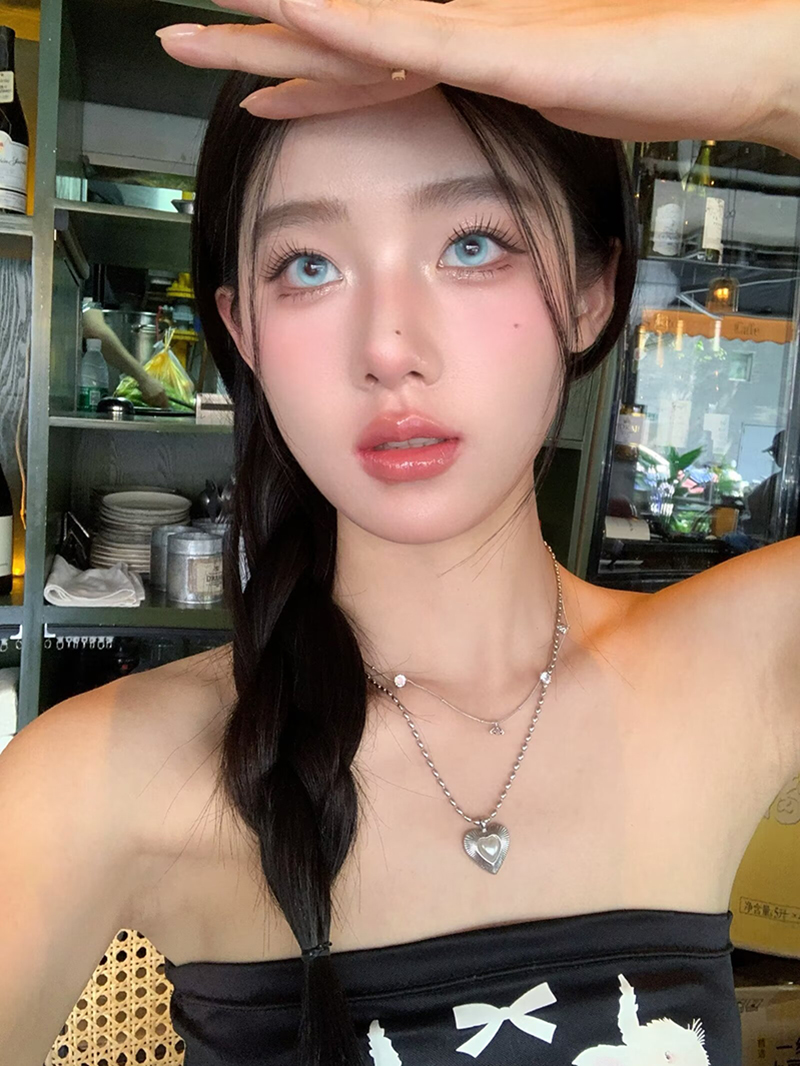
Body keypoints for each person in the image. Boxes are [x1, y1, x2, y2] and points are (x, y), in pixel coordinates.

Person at [3, 2, 800, 1064]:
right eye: (308, 266)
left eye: (473, 244)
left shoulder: (740, 664)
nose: (387, 347)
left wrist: (767, 76)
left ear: (591, 290)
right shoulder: (96, 779)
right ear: (243, 330)